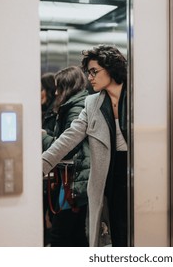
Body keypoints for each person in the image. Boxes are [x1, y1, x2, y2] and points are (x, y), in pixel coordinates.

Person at [42, 44, 128, 247]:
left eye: (94, 71)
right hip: (108, 178)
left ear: (111, 68)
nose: (90, 77)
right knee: (115, 234)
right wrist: (43, 163)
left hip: (136, 175)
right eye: (88, 72)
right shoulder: (92, 103)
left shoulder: (137, 98)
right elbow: (69, 136)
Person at [42, 66, 90, 247]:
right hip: (74, 179)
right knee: (75, 235)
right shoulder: (76, 105)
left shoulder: (75, 108)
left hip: (73, 180)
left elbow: (68, 148)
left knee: (60, 235)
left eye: (59, 87)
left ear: (67, 87)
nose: (55, 92)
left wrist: (44, 137)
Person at [41, 72, 57, 246]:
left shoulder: (54, 110)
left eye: (42, 89)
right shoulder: (44, 109)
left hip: (53, 171)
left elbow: (57, 141)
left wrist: (43, 135)